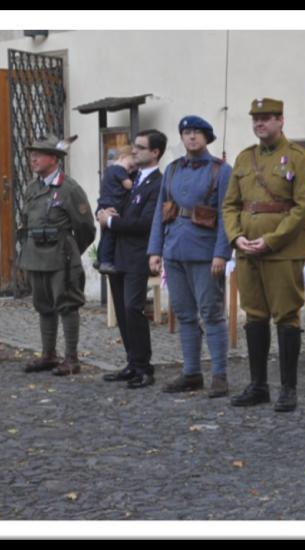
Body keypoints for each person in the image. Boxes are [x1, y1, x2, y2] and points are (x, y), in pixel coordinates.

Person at [222, 98, 305, 412]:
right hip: (248, 250)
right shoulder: (244, 158)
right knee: (254, 315)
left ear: (281, 121)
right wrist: (236, 237)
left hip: (282, 252)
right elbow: (231, 204)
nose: (259, 124)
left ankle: (288, 389)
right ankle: (258, 385)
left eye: (266, 118)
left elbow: (303, 208)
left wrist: (272, 240)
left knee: (287, 315)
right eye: (256, 119)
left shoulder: (298, 158)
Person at [148, 116, 233, 398]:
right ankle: (192, 373)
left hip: (205, 253)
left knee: (211, 313)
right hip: (175, 250)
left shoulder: (221, 171)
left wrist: (221, 253)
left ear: (207, 137)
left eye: (196, 132)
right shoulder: (171, 170)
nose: (191, 137)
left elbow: (226, 216)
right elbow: (162, 211)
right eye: (186, 132)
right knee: (184, 314)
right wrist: (155, 250)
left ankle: (219, 375)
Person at [19, 135, 96, 376]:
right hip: (36, 256)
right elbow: (24, 224)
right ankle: (49, 355)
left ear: (54, 159)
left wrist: (71, 250)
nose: (33, 158)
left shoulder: (69, 188)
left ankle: (71, 358)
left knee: (67, 304)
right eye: (32, 153)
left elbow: (86, 228)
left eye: (39, 154)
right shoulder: (32, 189)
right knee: (43, 305)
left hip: (60, 257)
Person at [98, 130, 168, 389]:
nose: (134, 151)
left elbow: (145, 223)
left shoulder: (158, 184)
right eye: (134, 147)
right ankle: (132, 362)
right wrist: (102, 212)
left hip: (139, 254)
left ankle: (144, 367)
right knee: (123, 313)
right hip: (118, 253)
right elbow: (110, 200)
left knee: (132, 309)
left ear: (155, 153)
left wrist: (112, 221)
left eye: (140, 147)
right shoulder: (130, 177)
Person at [95, 145, 136, 275]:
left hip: (105, 204)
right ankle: (106, 262)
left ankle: (99, 259)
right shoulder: (119, 169)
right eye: (130, 166)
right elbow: (128, 185)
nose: (130, 171)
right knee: (110, 236)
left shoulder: (108, 170)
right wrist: (135, 185)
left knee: (105, 235)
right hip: (113, 206)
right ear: (123, 157)